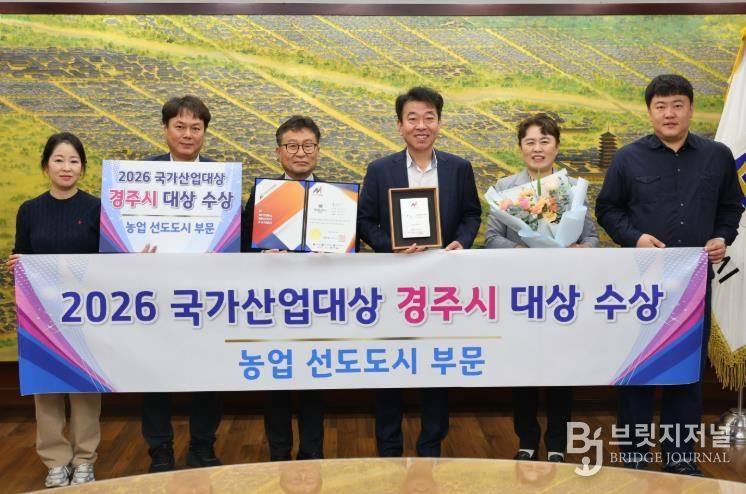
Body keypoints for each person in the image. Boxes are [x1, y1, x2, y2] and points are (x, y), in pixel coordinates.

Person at [595, 74, 743, 475]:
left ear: (691, 109)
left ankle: (680, 458)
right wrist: (635, 237)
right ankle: (635, 459)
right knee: (638, 372)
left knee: (685, 374)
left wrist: (722, 236)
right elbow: (607, 209)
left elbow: (732, 205)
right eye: (660, 106)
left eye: (678, 105)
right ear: (650, 112)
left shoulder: (717, 156)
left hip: (694, 285)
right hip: (642, 286)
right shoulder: (628, 158)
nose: (669, 113)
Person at [357, 86, 482, 457]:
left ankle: (431, 446)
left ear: (439, 123)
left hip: (442, 286)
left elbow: (471, 213)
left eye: (429, 117)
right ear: (399, 126)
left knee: (436, 367)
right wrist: (390, 245)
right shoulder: (380, 170)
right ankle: (389, 448)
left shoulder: (459, 168)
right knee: (389, 368)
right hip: (394, 285)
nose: (421, 125)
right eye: (412, 118)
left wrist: (460, 242)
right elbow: (364, 221)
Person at [484, 113, 599, 463]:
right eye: (530, 142)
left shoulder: (571, 188)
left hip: (562, 297)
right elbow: (491, 239)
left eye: (545, 141)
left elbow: (592, 238)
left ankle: (558, 444)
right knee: (523, 369)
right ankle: (527, 440)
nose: (538, 148)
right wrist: (521, 249)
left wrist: (580, 248)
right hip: (521, 296)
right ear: (520, 148)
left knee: (561, 371)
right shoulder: (505, 188)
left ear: (557, 146)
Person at [7, 132, 101, 487]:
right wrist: (17, 263)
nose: (66, 167)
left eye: (74, 161)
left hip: (84, 313)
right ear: (45, 166)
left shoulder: (96, 208)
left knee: (85, 388)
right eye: (59, 160)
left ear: (82, 168)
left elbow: (108, 260)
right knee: (45, 386)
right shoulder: (29, 210)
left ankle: (85, 459)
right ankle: (55, 461)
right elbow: (22, 252)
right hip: (40, 314)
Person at [141, 95, 222, 472]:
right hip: (154, 293)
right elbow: (120, 231)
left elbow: (233, 236)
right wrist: (132, 249)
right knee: (155, 373)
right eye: (180, 126)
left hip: (206, 294)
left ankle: (202, 445)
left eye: (196, 128)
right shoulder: (143, 174)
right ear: (165, 130)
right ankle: (159, 448)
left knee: (208, 371)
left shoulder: (220, 177)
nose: (188, 134)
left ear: (204, 133)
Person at [241, 115, 325, 461]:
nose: (300, 153)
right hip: (274, 307)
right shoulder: (263, 195)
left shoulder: (335, 197)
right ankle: (278, 455)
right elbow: (245, 248)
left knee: (315, 383)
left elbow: (353, 250)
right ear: (279, 152)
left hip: (320, 307)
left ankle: (312, 453)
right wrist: (263, 254)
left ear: (317, 150)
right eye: (292, 146)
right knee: (276, 383)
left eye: (307, 145)